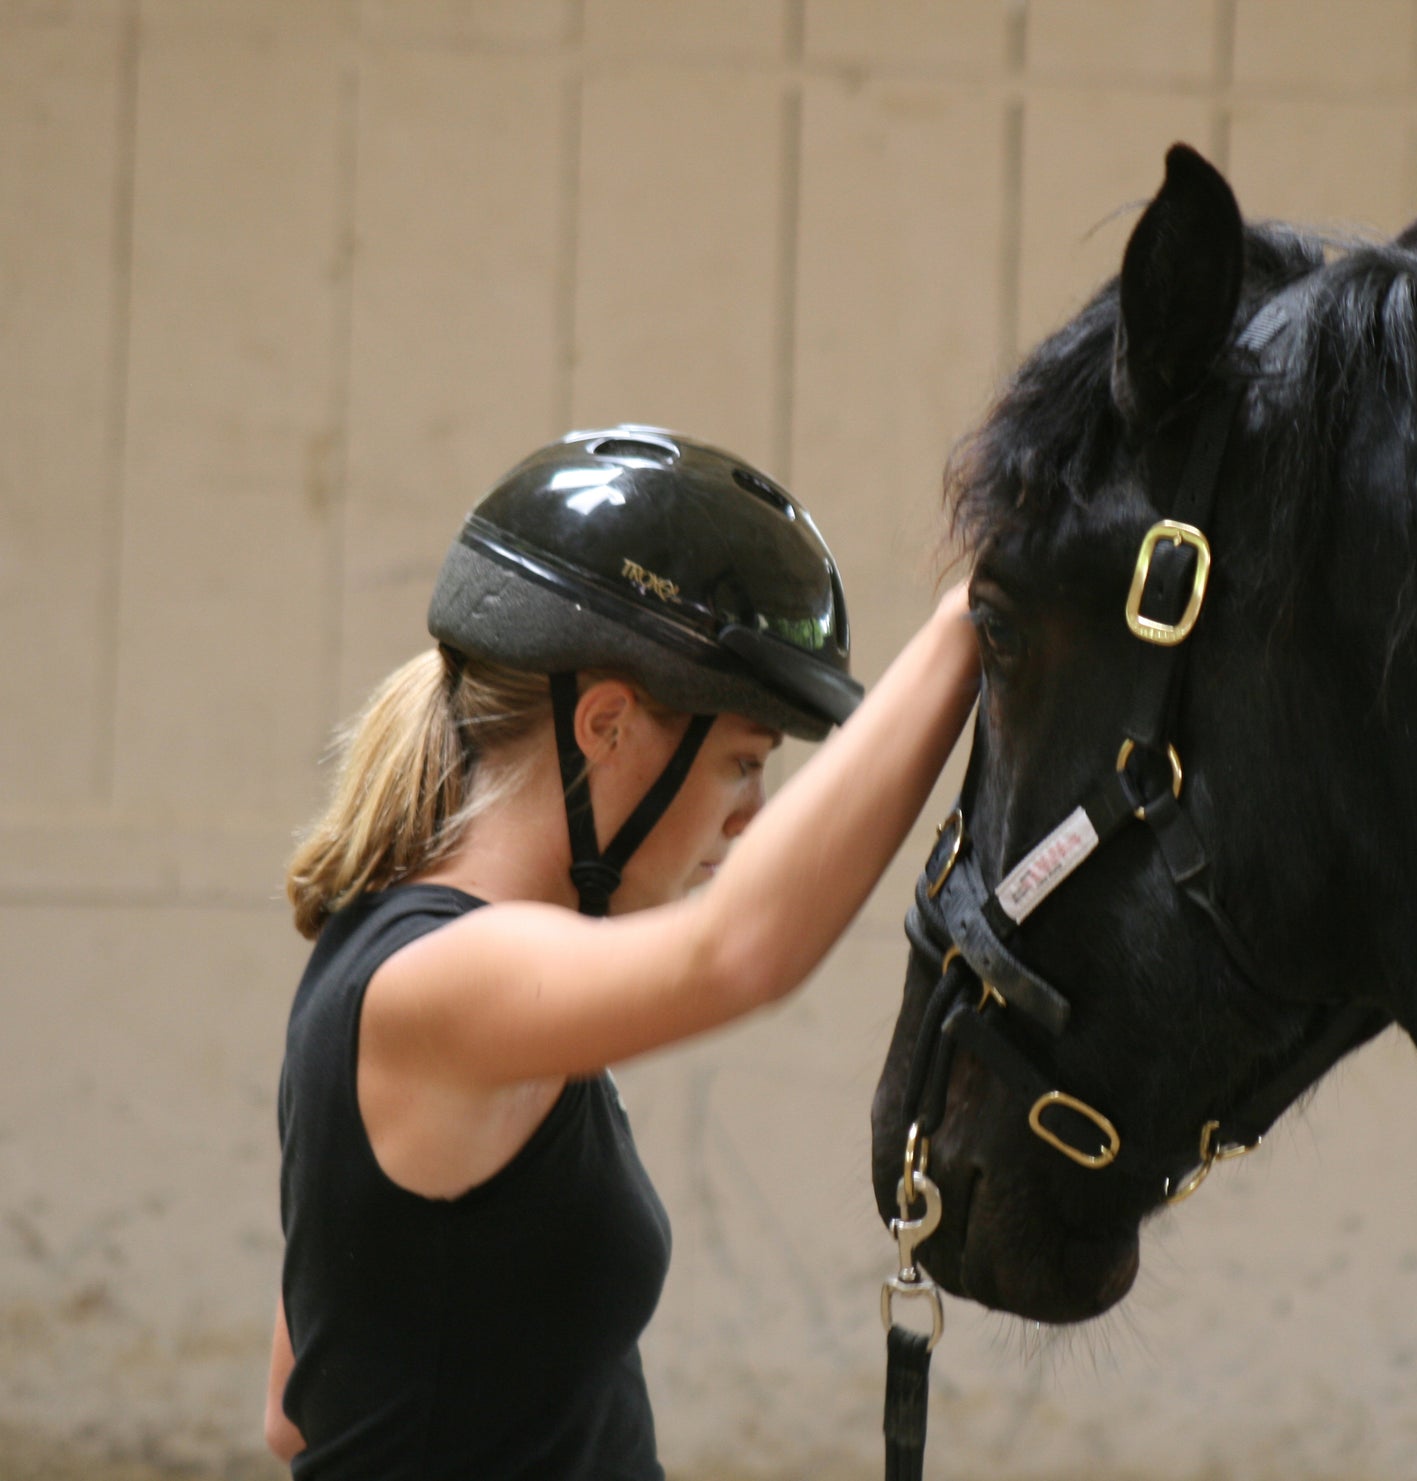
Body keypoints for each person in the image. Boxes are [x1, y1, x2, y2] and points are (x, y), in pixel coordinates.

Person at [264, 425, 977, 1478]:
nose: (748, 817)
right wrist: (972, 620)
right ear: (605, 723)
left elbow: (295, 1407)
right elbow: (737, 952)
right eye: (741, 763)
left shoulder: (409, 963)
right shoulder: (441, 983)